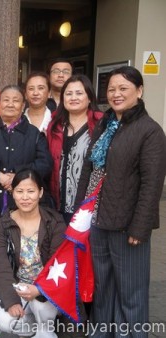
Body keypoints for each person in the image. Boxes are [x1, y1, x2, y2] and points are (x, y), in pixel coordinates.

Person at [75, 66, 166, 337]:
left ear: (139, 91)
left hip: (128, 227)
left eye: (123, 88)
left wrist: (140, 227)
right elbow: (90, 171)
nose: (116, 94)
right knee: (104, 289)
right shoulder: (106, 125)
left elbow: (152, 185)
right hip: (100, 220)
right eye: (112, 89)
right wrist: (82, 211)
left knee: (131, 293)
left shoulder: (149, 131)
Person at [0, 169, 66, 337]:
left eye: (31, 191)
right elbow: (0, 264)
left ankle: (45, 327)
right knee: (6, 322)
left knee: (41, 313)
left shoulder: (54, 222)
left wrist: (39, 290)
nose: (25, 197)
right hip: (19, 287)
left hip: (46, 288)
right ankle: (36, 324)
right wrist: (11, 300)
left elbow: (59, 264)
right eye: (19, 191)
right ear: (13, 193)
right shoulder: (3, 223)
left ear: (40, 193)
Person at [0, 84, 52, 216]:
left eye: (16, 100)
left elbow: (44, 164)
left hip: (24, 206)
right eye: (6, 100)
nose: (10, 104)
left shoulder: (34, 133)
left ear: (23, 105)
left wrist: (18, 177)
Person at [47, 74, 103, 224]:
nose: (73, 97)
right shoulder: (55, 126)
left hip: (89, 205)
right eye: (69, 93)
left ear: (89, 97)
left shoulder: (101, 125)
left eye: (79, 93)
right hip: (58, 204)